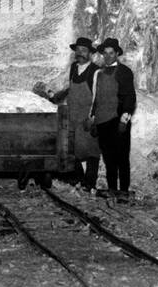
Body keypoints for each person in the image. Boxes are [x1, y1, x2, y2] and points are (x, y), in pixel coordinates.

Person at [33, 37, 102, 193]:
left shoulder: (96, 71)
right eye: (77, 50)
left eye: (83, 50)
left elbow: (99, 97)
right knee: (72, 149)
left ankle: (90, 183)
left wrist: (93, 118)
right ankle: (78, 179)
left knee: (92, 151)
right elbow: (66, 88)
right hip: (73, 116)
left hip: (87, 117)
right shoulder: (73, 68)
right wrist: (50, 95)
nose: (80, 53)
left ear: (90, 53)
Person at [88, 38, 136, 202]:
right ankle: (112, 189)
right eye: (105, 53)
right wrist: (93, 119)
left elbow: (129, 98)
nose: (108, 56)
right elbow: (96, 99)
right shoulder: (98, 74)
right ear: (102, 55)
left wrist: (124, 119)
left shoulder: (124, 72)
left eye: (111, 53)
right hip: (103, 122)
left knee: (122, 157)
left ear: (116, 54)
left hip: (117, 121)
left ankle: (123, 192)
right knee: (109, 158)